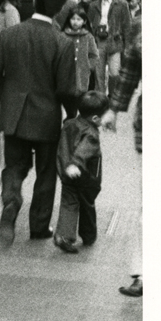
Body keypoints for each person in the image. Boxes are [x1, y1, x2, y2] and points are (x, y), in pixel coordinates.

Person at [0, 0, 76, 245]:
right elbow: (67, 88)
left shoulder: (10, 35)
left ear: (34, 3)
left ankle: (11, 201)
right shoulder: (62, 42)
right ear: (59, 10)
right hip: (47, 118)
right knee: (46, 173)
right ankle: (38, 226)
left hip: (14, 115)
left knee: (15, 166)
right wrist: (73, 114)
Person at [102, 17, 143, 297]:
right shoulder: (144, 27)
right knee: (150, 205)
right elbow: (129, 75)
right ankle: (142, 274)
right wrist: (113, 110)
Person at [53, 91, 110, 254]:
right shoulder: (91, 134)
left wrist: (65, 167)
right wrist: (76, 164)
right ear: (95, 119)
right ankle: (88, 236)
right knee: (87, 205)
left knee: (69, 204)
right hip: (86, 176)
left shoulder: (69, 124)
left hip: (66, 174)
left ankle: (64, 235)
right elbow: (84, 149)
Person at [87, 0, 131, 97]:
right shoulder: (93, 5)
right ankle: (100, 98)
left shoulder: (122, 4)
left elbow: (127, 26)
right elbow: (88, 23)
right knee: (98, 73)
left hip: (115, 41)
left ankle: (112, 96)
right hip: (98, 41)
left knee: (114, 72)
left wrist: (127, 47)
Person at [61, 5, 99, 118]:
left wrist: (88, 66)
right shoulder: (62, 36)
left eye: (78, 19)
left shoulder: (88, 37)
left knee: (82, 105)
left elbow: (94, 55)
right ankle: (70, 122)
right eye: (73, 19)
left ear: (84, 21)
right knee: (69, 108)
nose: (75, 22)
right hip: (66, 78)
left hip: (83, 77)